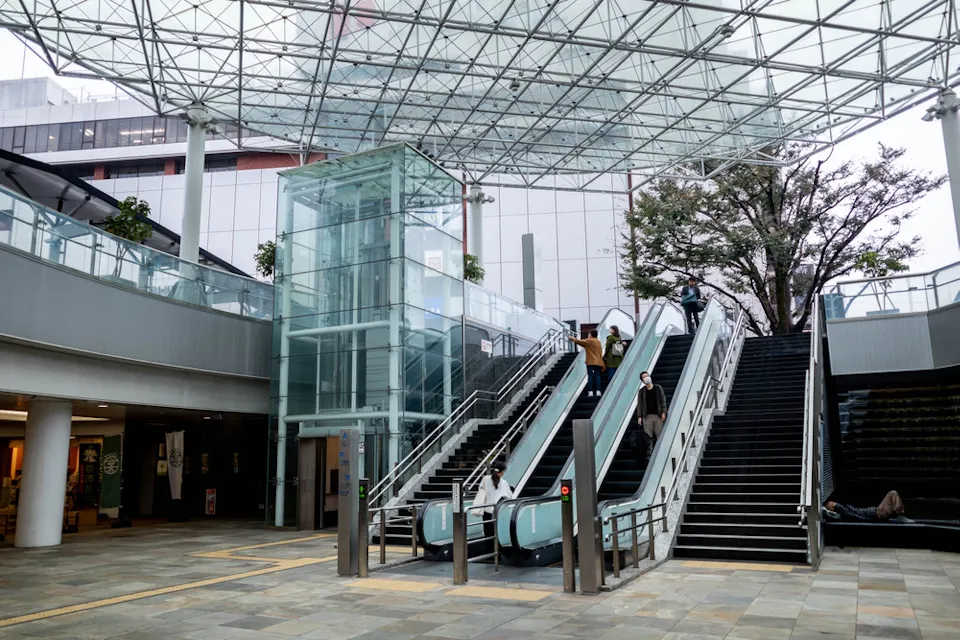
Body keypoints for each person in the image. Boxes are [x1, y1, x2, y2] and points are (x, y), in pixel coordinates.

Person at [473, 463, 513, 541]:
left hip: (486, 510)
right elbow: (509, 495)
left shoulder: (485, 479)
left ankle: (488, 548)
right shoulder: (504, 483)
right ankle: (494, 549)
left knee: (487, 531)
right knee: (495, 531)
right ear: (501, 472)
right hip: (496, 511)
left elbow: (480, 489)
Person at [824, 490, 911, 523]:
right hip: (876, 513)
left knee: (893, 495)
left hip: (875, 512)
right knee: (893, 493)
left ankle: (900, 514)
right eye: (832, 503)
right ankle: (900, 515)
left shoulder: (842, 508)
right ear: (832, 507)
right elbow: (854, 516)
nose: (834, 502)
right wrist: (869, 519)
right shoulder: (841, 509)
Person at [637, 371, 667, 458]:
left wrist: (663, 412)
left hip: (658, 415)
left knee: (659, 433)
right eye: (644, 377)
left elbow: (663, 400)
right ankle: (649, 453)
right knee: (648, 435)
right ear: (642, 381)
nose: (647, 378)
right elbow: (640, 404)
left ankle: (662, 451)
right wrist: (639, 416)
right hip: (647, 416)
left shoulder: (658, 388)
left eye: (647, 376)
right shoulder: (642, 391)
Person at [569, 330, 605, 397]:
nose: (588, 335)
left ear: (591, 334)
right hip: (598, 362)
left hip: (590, 362)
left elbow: (579, 341)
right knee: (597, 376)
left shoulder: (589, 341)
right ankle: (598, 391)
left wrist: (571, 338)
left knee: (590, 376)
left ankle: (590, 391)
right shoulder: (598, 342)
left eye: (589, 334)